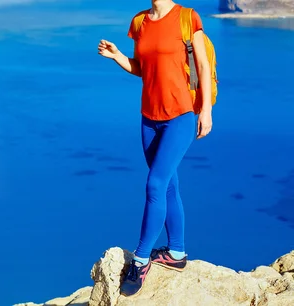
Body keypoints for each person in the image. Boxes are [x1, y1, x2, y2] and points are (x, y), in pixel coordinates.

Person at [97, 0, 213, 297]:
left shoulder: (187, 18)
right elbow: (142, 68)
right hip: (149, 118)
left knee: (155, 183)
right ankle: (176, 254)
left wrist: (206, 111)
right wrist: (117, 56)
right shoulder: (139, 22)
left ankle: (140, 259)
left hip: (181, 115)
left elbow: (201, 64)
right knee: (169, 186)